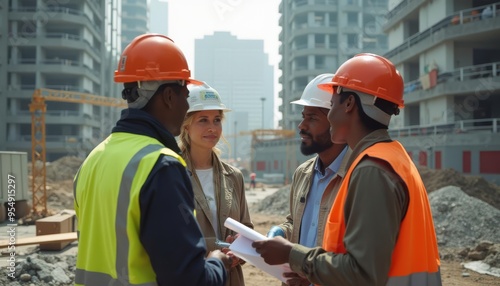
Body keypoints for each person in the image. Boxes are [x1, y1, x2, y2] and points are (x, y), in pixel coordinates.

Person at [253, 53, 441, 286]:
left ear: (349, 103)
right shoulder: (392, 158)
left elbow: (362, 274)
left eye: (332, 104)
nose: (331, 114)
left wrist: (293, 256)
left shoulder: (372, 170)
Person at [73, 34, 231, 286]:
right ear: (169, 96)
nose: (186, 104)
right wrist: (217, 263)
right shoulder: (161, 166)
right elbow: (190, 280)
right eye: (185, 94)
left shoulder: (92, 160)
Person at [266, 74, 351, 285]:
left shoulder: (357, 176)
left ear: (337, 122)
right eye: (303, 116)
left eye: (312, 118)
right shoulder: (302, 174)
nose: (301, 126)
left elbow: (360, 261)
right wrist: (282, 233)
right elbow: (296, 223)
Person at [178, 82, 254, 286]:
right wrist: (212, 251)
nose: (212, 127)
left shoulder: (234, 176)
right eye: (203, 120)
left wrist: (240, 251)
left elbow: (246, 228)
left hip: (230, 279)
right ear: (186, 125)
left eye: (217, 120)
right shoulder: (172, 173)